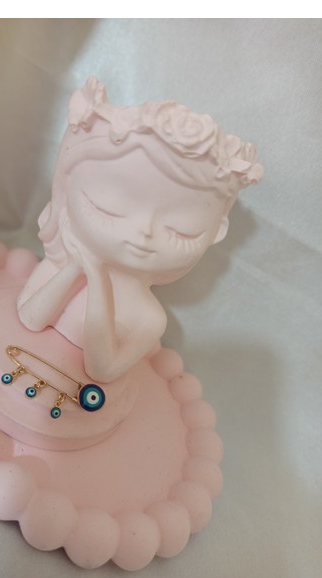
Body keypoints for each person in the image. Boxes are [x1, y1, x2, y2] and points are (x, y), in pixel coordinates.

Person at [17, 77, 263, 383]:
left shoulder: (149, 318)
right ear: (67, 188)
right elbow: (30, 319)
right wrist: (74, 267)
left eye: (181, 230)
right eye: (108, 208)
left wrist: (96, 277)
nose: (145, 232)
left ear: (216, 232)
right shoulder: (55, 267)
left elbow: (101, 369)